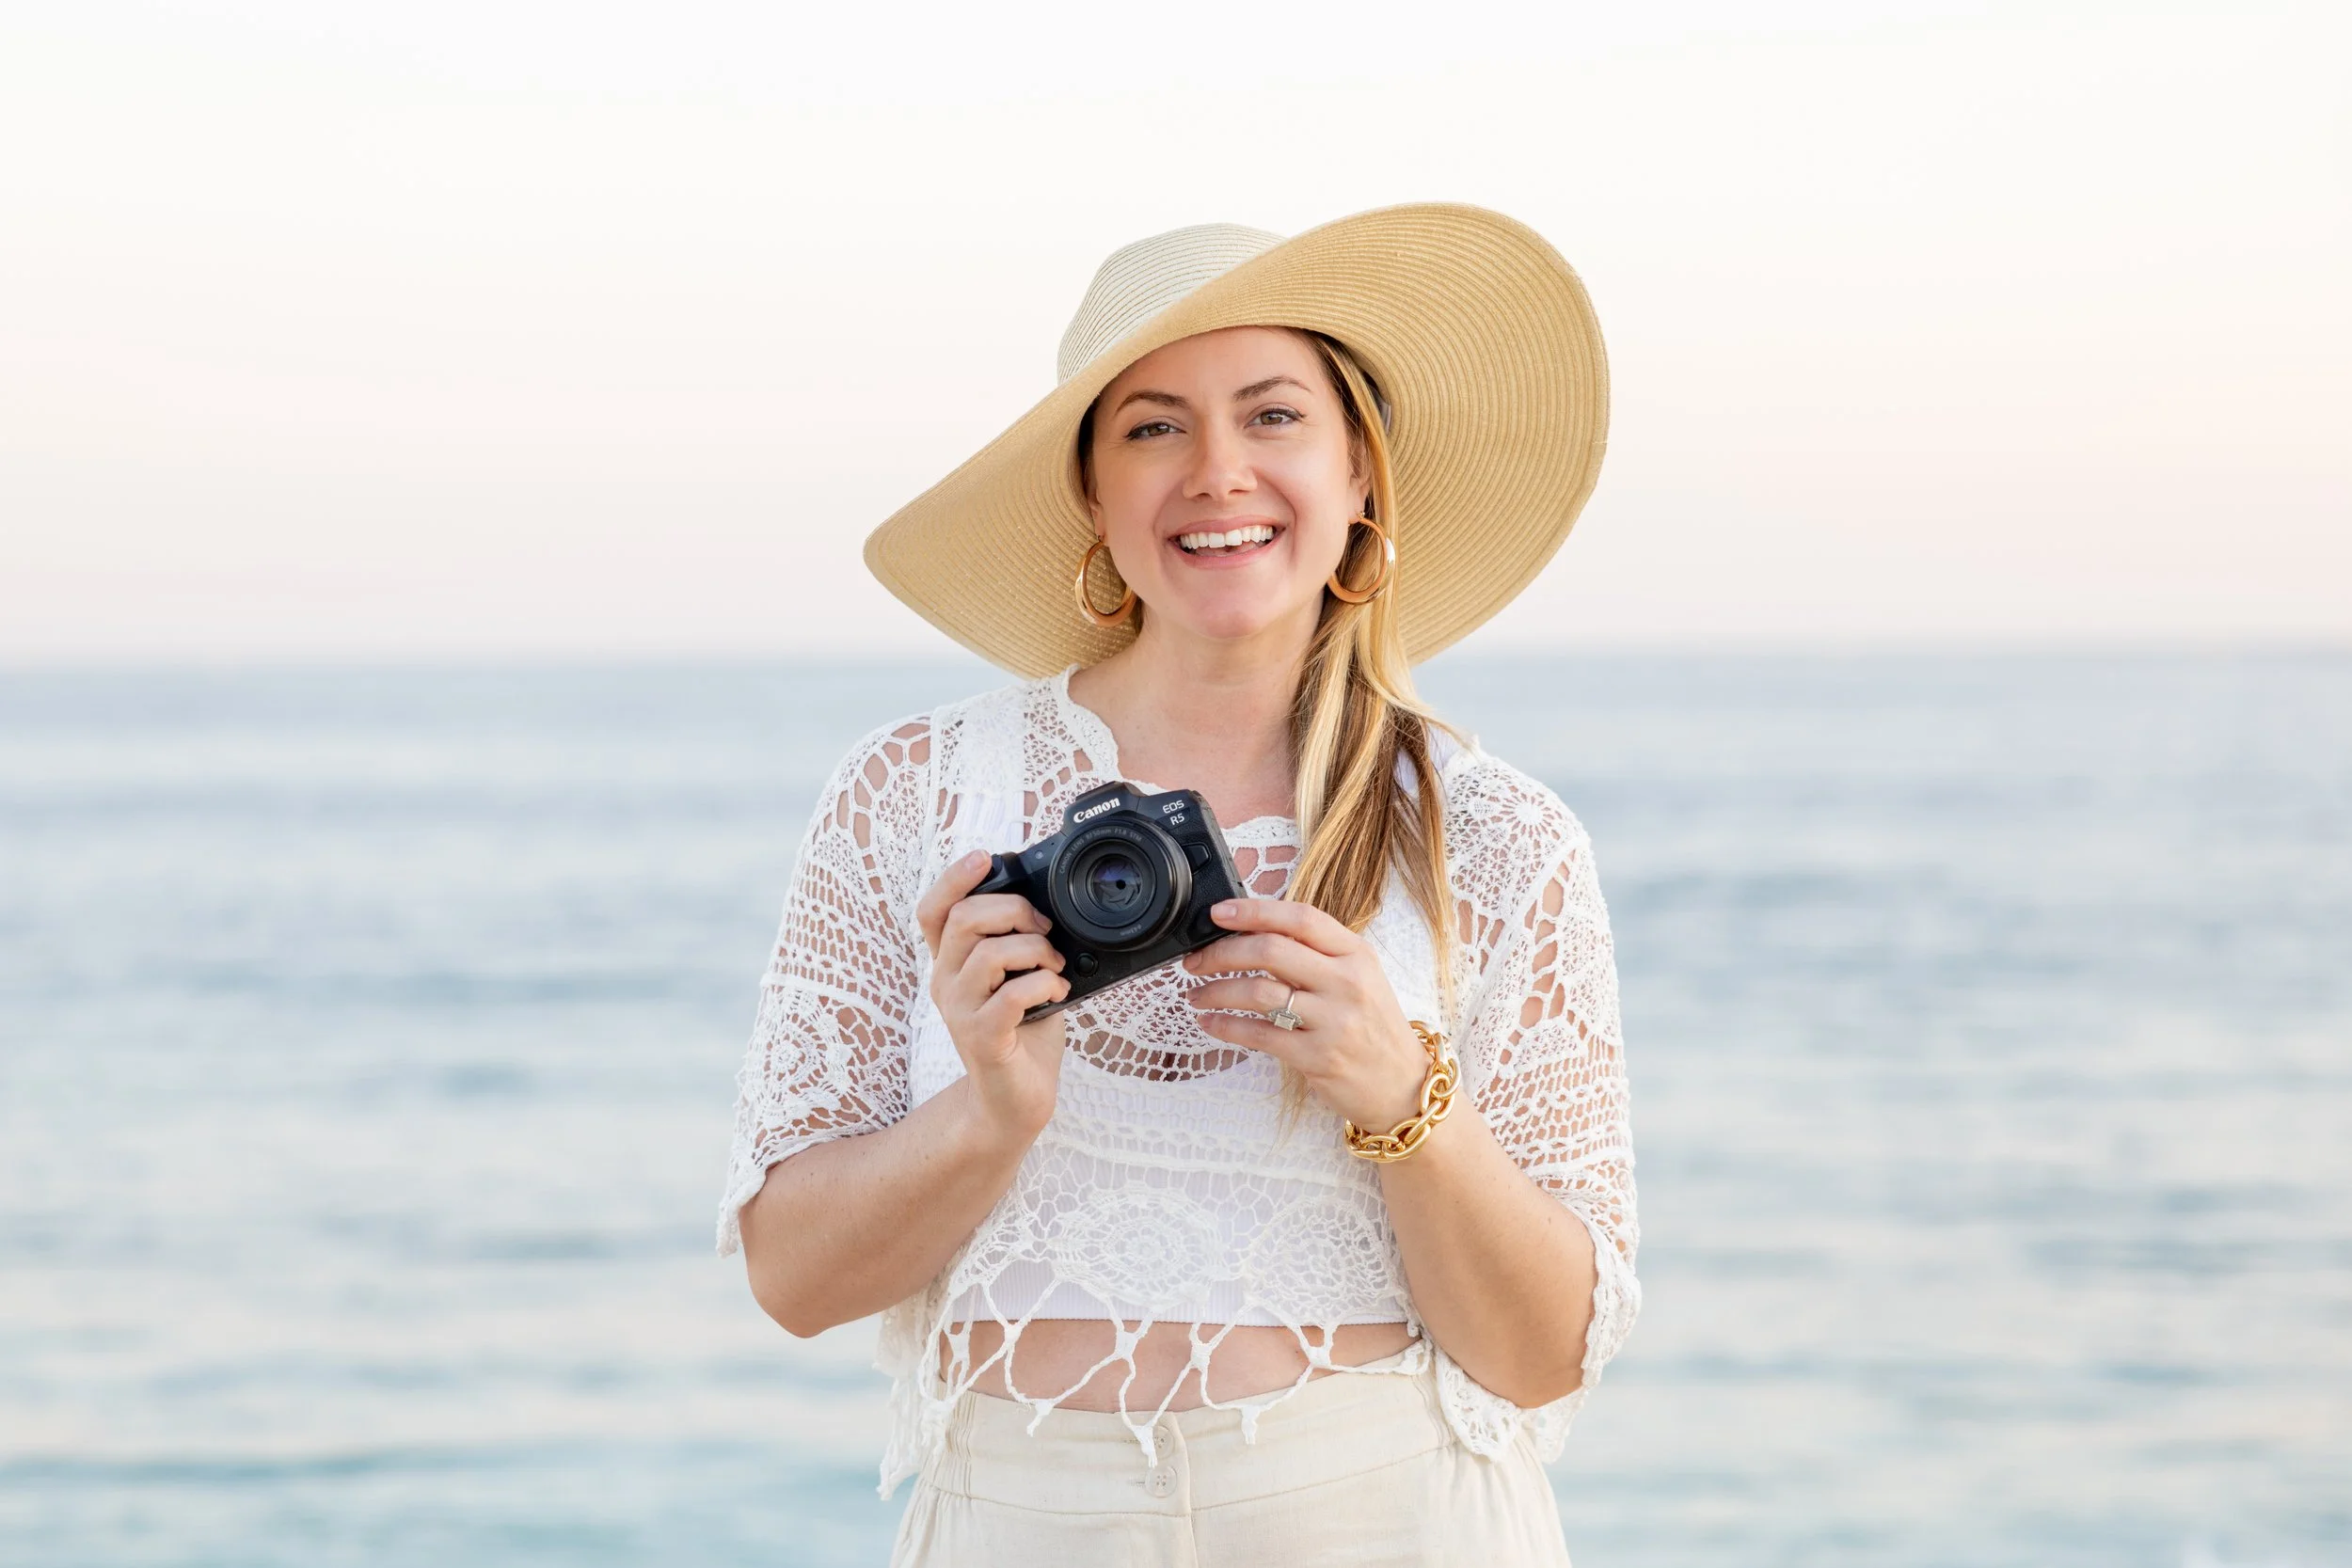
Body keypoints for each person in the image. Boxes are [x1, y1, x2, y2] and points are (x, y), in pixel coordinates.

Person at [719, 204, 1638, 1566]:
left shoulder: (1494, 836)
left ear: (1359, 474)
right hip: (1019, 1519)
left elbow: (1544, 1353)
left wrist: (1402, 1093)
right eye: (1153, 426)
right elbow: (794, 1281)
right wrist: (989, 1112)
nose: (1219, 472)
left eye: (1273, 417)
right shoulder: (912, 794)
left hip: (1392, 1517)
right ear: (1092, 493)